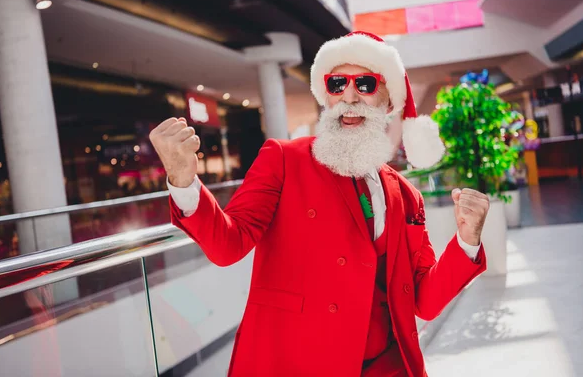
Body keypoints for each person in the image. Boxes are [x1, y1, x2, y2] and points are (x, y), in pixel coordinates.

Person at [149, 31, 489, 377]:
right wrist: (182, 180)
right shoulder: (283, 159)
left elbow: (424, 301)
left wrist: (467, 241)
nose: (349, 96)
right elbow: (227, 245)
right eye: (337, 83)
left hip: (388, 367)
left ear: (389, 103)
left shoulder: (406, 195)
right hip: (297, 363)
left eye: (366, 84)